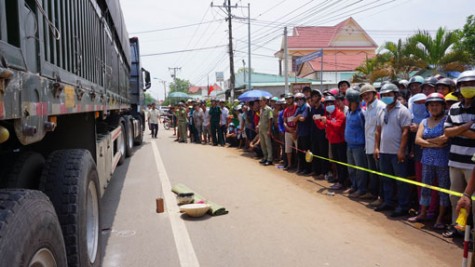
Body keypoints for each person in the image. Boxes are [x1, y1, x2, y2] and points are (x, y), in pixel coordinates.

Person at [409, 93, 450, 229]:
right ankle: (423, 213)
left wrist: (426, 142)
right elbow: (417, 139)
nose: (434, 107)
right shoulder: (424, 121)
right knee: (425, 187)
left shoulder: (446, 120)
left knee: (443, 189)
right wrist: (434, 143)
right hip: (426, 159)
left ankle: (440, 218)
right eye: (431, 105)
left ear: (443, 106)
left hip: (442, 160)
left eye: (437, 105)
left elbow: (445, 139)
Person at [443, 70, 475, 238]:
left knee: (472, 201)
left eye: (471, 84)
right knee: (455, 197)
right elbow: (447, 132)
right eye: (464, 85)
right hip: (455, 159)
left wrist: (457, 130)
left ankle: (471, 232)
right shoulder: (454, 107)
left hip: (472, 163)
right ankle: (457, 227)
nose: (467, 87)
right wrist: (466, 126)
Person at [374, 83, 412, 217]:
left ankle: (403, 206)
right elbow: (378, 131)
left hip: (397, 152)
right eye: (384, 95)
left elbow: (405, 132)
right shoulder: (382, 110)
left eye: (389, 95)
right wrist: (377, 147)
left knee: (400, 180)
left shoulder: (403, 110)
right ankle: (388, 202)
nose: (386, 97)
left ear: (395, 95)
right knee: (386, 179)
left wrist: (401, 150)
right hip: (384, 151)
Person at [314, 95, 348, 190]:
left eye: (331, 103)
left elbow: (337, 126)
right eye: (327, 104)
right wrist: (317, 121)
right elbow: (321, 127)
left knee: (342, 163)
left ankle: (343, 182)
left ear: (335, 104)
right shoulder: (328, 115)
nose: (329, 105)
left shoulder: (340, 114)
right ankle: (339, 180)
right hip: (332, 142)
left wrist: (327, 121)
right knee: (336, 162)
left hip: (340, 142)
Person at [360, 84, 386, 204]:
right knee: (373, 172)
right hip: (368, 144)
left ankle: (381, 197)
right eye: (363, 95)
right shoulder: (368, 107)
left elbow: (380, 129)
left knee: (380, 173)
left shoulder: (380, 106)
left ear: (374, 94)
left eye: (368, 94)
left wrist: (377, 146)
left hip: (377, 146)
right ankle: (373, 193)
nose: (366, 96)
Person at [344, 88, 368, 198]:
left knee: (360, 168)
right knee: (351, 167)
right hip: (349, 144)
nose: (347, 103)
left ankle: (361, 188)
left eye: (349, 101)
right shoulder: (349, 112)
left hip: (359, 146)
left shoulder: (361, 114)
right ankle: (354, 185)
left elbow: (365, 129)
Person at [309, 89, 328, 179]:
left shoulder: (323, 108)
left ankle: (324, 172)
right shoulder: (312, 108)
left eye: (316, 96)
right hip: (314, 132)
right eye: (313, 96)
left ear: (319, 97)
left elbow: (325, 120)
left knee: (323, 152)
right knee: (315, 152)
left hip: (321, 133)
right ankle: (316, 170)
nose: (314, 98)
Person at [294, 93, 312, 175]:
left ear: (304, 99)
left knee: (306, 152)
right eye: (297, 100)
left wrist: (298, 117)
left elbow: (303, 119)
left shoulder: (306, 107)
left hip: (306, 133)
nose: (298, 101)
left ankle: (307, 169)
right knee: (300, 152)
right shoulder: (298, 108)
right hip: (300, 133)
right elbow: (294, 120)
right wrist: (298, 117)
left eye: (300, 99)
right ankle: (301, 167)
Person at [283, 93, 298, 171]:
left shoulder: (296, 108)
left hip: (296, 131)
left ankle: (298, 165)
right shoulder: (286, 110)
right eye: (287, 99)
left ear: (293, 99)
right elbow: (284, 122)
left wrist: (295, 131)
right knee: (288, 149)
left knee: (297, 149)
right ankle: (289, 164)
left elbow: (298, 120)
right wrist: (288, 128)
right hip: (288, 131)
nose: (288, 100)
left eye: (289, 98)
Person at [257, 96, 273, 166]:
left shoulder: (269, 109)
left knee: (268, 144)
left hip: (266, 129)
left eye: (261, 101)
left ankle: (270, 159)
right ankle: (265, 157)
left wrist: (269, 130)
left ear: (265, 101)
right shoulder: (261, 109)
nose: (260, 102)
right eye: (259, 101)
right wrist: (258, 125)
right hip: (261, 129)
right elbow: (260, 119)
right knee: (262, 144)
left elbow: (270, 120)